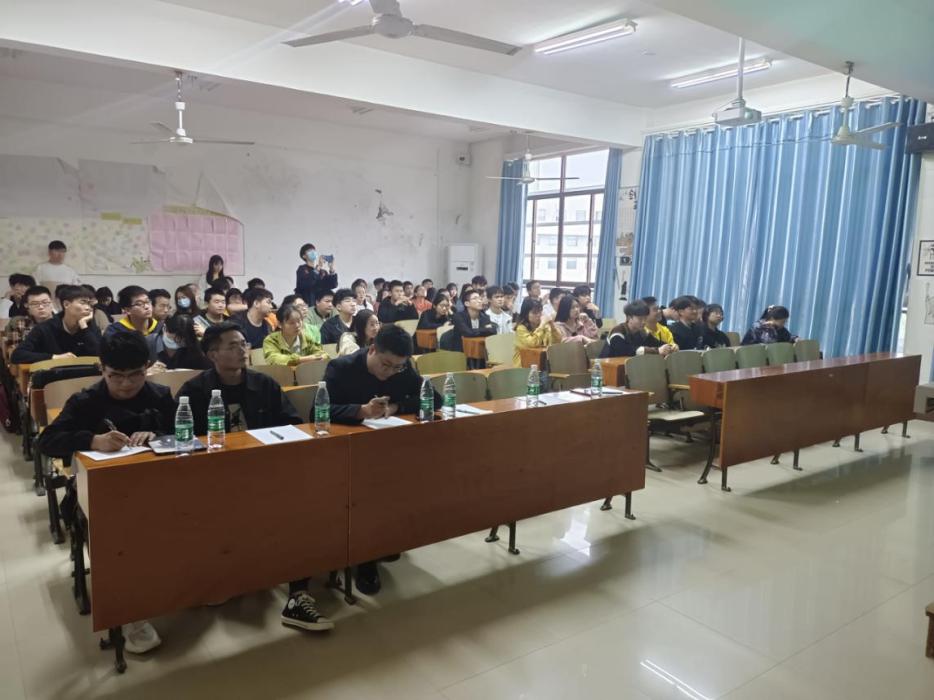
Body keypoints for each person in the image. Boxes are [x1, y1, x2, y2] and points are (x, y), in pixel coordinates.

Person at [178, 323, 332, 632]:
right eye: (233, 346)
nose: (242, 350)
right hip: (215, 477)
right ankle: (221, 575)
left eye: (244, 344)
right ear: (213, 354)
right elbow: (182, 443)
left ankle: (298, 595)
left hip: (266, 471)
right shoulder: (193, 392)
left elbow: (291, 423)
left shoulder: (265, 385)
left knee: (302, 507)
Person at [38, 331, 176, 654]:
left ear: (147, 368)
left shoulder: (160, 395)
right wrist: (92, 440)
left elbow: (185, 432)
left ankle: (191, 584)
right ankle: (130, 614)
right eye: (116, 376)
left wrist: (157, 434)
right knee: (122, 534)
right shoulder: (85, 401)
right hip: (100, 495)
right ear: (102, 369)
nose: (126, 384)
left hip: (156, 486)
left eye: (135, 375)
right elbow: (47, 441)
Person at [324, 325, 440, 595]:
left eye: (397, 367)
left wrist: (398, 407)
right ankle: (364, 561)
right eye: (386, 365)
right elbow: (319, 410)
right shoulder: (341, 368)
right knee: (365, 494)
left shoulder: (403, 369)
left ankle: (383, 541)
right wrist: (361, 411)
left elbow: (435, 398)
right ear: (372, 349)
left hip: (388, 450)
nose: (390, 372)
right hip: (348, 452)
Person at [12, 285, 101, 363]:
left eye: (89, 303)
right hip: (54, 375)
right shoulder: (44, 328)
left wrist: (84, 327)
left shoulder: (89, 326)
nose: (88, 308)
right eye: (83, 302)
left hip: (85, 374)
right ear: (66, 304)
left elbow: (101, 355)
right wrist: (54, 357)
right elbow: (17, 355)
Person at [601, 301, 676, 358]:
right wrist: (657, 351)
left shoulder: (642, 332)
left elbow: (657, 343)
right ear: (629, 318)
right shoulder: (618, 332)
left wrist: (671, 347)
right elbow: (625, 351)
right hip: (606, 367)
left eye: (645, 318)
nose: (643, 322)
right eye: (640, 319)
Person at [263, 304, 328, 366]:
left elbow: (323, 354)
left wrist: (320, 357)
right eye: (291, 323)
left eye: (299, 321)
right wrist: (302, 359)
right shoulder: (271, 340)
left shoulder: (305, 338)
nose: (297, 325)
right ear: (280, 324)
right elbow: (273, 359)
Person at [104, 287, 159, 359]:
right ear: (127, 310)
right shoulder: (115, 331)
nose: (147, 307)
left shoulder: (160, 328)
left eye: (148, 301)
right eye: (139, 304)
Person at [512, 298, 560, 366]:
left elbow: (557, 341)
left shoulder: (544, 326)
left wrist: (552, 325)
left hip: (541, 363)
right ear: (526, 314)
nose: (538, 315)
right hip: (524, 365)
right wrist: (541, 325)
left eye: (540, 312)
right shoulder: (521, 328)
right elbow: (532, 343)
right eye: (534, 313)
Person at [451, 289, 496, 356]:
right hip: (461, 353)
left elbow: (493, 331)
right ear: (467, 303)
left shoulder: (485, 317)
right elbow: (468, 333)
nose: (479, 301)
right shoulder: (458, 317)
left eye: (480, 298)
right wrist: (485, 330)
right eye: (475, 298)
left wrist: (475, 331)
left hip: (480, 352)